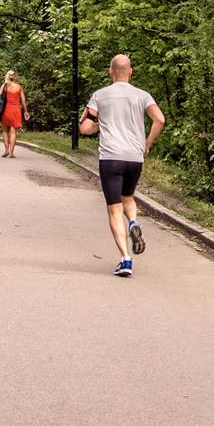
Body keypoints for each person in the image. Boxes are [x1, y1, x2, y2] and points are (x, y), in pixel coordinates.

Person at [78, 54, 164, 277]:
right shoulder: (143, 95)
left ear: (110, 72)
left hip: (111, 158)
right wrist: (147, 143)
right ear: (130, 72)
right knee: (128, 197)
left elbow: (84, 128)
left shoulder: (100, 96)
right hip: (135, 157)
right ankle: (133, 221)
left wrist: (100, 126)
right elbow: (160, 119)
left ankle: (125, 259)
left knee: (114, 208)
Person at [0, 70, 28, 158]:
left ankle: (6, 150)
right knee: (13, 132)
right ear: (15, 77)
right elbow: (23, 100)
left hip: (6, 109)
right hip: (16, 109)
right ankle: (11, 153)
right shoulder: (19, 87)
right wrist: (25, 111)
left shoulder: (4, 86)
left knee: (5, 130)